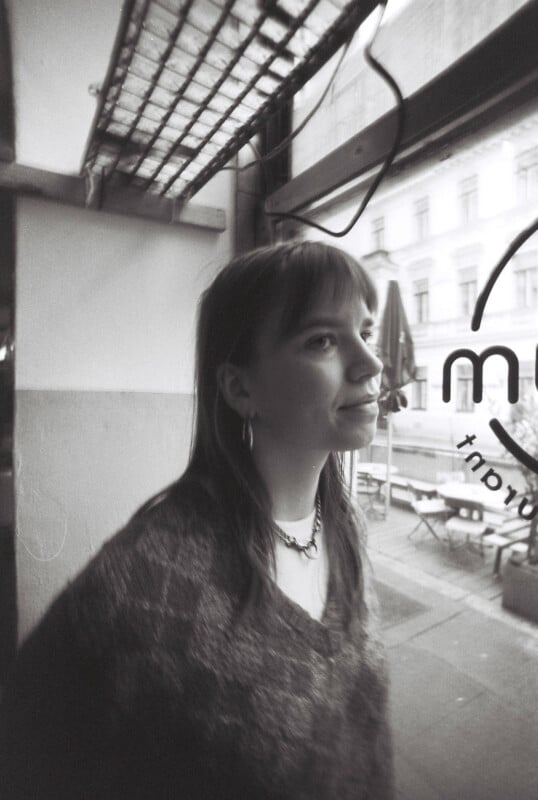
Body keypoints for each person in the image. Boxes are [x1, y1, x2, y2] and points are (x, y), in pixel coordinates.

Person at [0, 240, 393, 799]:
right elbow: (27, 747)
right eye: (323, 340)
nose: (371, 363)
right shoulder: (142, 581)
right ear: (239, 387)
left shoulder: (348, 529)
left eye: (366, 331)